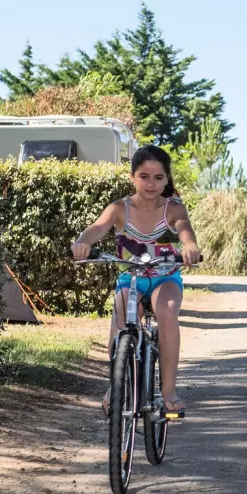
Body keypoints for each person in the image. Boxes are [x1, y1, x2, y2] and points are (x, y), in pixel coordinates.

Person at [72, 145, 201, 417]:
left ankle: (168, 392)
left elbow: (184, 228)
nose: (151, 183)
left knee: (166, 312)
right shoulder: (120, 208)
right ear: (132, 177)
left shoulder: (173, 208)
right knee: (120, 321)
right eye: (144, 176)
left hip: (165, 278)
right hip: (130, 279)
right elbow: (98, 227)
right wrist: (83, 242)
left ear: (167, 179)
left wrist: (190, 246)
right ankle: (115, 385)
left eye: (158, 177)